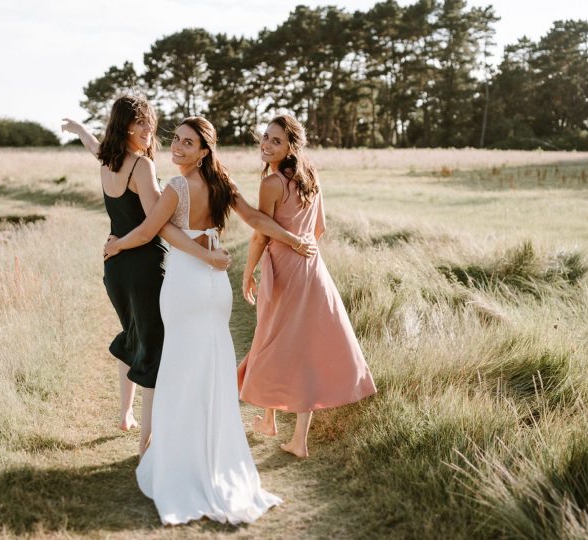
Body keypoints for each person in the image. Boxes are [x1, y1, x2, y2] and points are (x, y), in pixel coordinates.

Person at [103, 117, 316, 525]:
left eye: (188, 143)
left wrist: (116, 246)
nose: (177, 148)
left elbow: (150, 231)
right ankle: (211, 456)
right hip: (216, 286)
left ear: (204, 150)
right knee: (211, 373)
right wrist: (293, 238)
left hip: (185, 285)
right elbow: (255, 219)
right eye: (176, 140)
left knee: (182, 372)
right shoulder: (222, 184)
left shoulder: (176, 188)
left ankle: (181, 461)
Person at [61, 96, 230, 457]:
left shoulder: (108, 160)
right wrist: (204, 249)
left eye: (149, 122)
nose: (148, 129)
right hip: (140, 265)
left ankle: (126, 416)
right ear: (123, 127)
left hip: (115, 270)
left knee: (132, 335)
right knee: (151, 349)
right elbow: (158, 226)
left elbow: (94, 146)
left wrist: (79, 130)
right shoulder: (141, 165)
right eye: (138, 123)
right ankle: (147, 446)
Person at [237, 114, 377, 458]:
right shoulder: (310, 178)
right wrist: (303, 249)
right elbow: (320, 229)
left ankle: (296, 440)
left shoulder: (272, 183)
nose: (266, 145)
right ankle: (274, 424)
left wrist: (248, 271)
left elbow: (260, 233)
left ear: (290, 147)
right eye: (266, 137)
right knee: (296, 346)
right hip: (313, 270)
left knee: (272, 341)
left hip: (283, 270)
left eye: (276, 141)